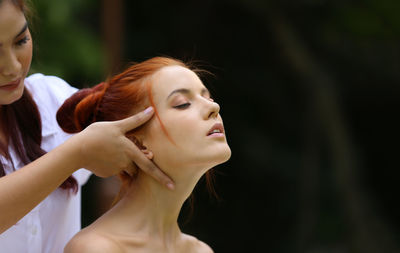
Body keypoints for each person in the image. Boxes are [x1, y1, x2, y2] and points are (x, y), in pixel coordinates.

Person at [0, 1, 174, 252]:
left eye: (20, 41)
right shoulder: (77, 141)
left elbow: (141, 116)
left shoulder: (51, 101)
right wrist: (77, 152)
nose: (13, 67)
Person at [58, 56, 231, 253]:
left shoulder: (200, 251)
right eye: (183, 103)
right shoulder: (97, 248)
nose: (213, 107)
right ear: (136, 143)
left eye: (208, 98)